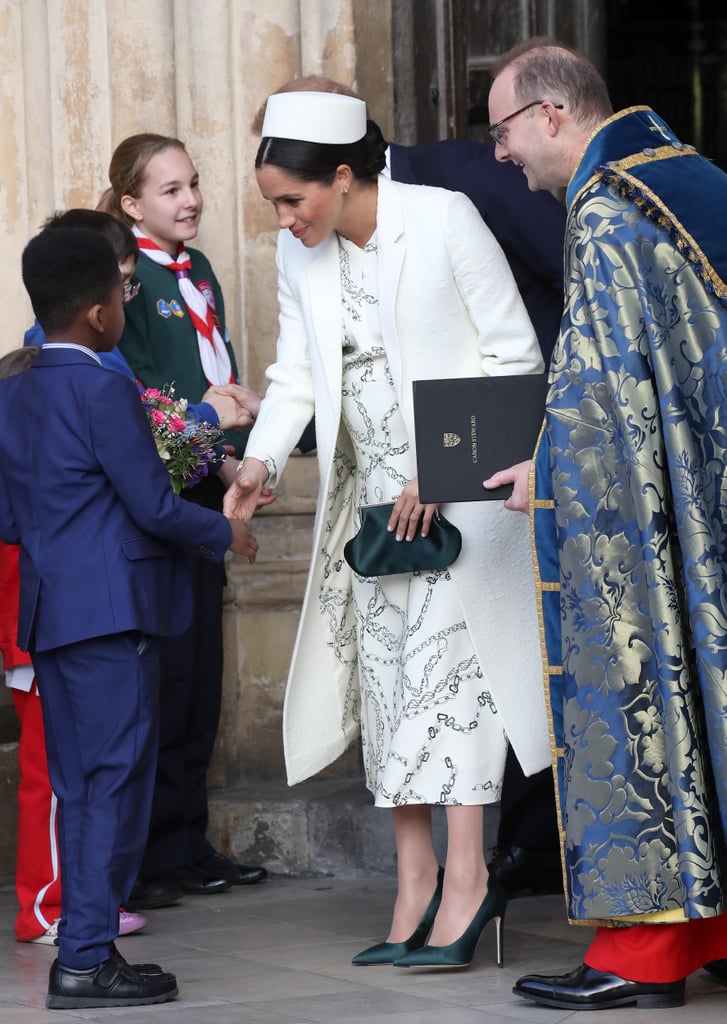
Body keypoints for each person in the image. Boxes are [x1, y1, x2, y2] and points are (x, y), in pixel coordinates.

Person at [224, 89, 550, 970]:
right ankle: (413, 885)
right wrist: (255, 463)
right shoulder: (305, 259)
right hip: (367, 507)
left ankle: (470, 882)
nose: (285, 221)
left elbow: (514, 355)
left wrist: (440, 474)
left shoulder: (444, 218)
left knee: (450, 689)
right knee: (390, 688)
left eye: (294, 201)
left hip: (465, 501)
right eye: (274, 207)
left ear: (342, 174)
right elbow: (294, 374)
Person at [484, 37, 727, 1011]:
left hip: (659, 516)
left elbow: (595, 403)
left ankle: (645, 949)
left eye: (502, 131)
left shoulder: (604, 210)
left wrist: (549, 483)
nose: (498, 154)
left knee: (642, 683)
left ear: (550, 114)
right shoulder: (690, 175)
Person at [0, 226, 257, 1008]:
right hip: (112, 616)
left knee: (82, 789)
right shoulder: (103, 386)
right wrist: (226, 532)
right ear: (99, 314)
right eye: (117, 295)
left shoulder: (13, 386)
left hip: (52, 613)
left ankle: (85, 950)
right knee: (115, 787)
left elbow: (11, 518)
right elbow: (150, 504)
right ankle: (83, 958)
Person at [98, 135, 269, 903]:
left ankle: (187, 840)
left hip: (209, 475)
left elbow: (215, 369)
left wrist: (238, 458)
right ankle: (151, 850)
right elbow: (148, 400)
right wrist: (216, 449)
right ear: (132, 204)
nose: (190, 200)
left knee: (202, 672)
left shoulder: (194, 269)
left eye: (193, 184)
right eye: (169, 190)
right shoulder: (125, 278)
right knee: (167, 669)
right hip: (168, 481)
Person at [0, 347, 148, 946]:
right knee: (50, 783)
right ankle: (44, 906)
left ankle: (82, 904)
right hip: (33, 652)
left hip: (42, 647)